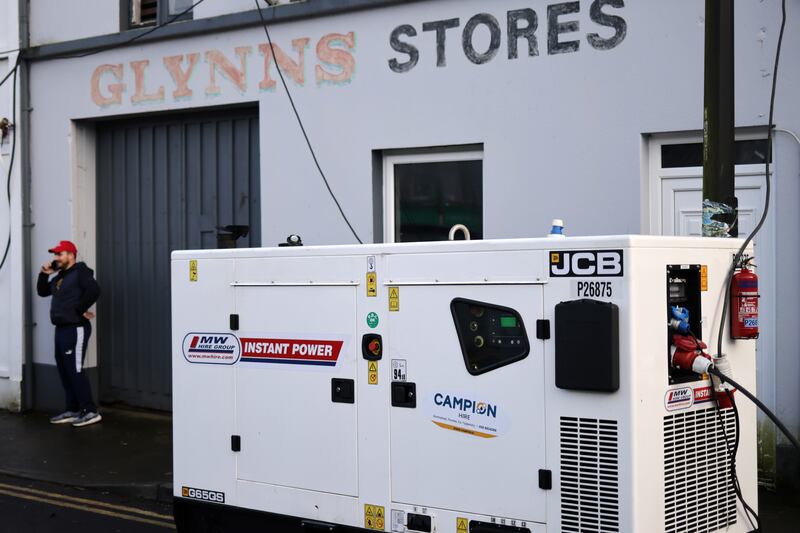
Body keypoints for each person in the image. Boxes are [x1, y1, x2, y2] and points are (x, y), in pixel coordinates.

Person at [36, 240, 102, 427]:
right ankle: (73, 409)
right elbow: (42, 292)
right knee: (65, 370)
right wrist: (43, 274)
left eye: (60, 254)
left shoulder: (80, 271)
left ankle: (90, 411)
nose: (56, 257)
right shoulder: (59, 277)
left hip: (75, 328)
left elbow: (94, 290)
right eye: (55, 254)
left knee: (75, 369)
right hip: (61, 329)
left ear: (71, 255)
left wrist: (80, 309)